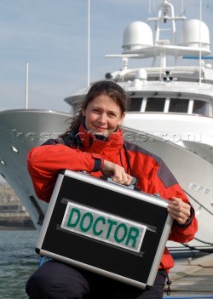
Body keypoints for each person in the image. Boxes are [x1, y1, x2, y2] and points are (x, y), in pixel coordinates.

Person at [26, 80, 198, 299]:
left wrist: (185, 218)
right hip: (76, 261)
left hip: (137, 267)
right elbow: (36, 159)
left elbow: (187, 231)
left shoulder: (146, 162)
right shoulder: (62, 149)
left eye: (111, 114)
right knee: (48, 283)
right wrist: (101, 164)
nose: (102, 120)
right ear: (84, 110)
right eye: (96, 111)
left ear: (121, 118)